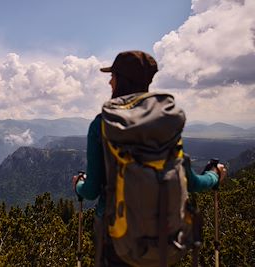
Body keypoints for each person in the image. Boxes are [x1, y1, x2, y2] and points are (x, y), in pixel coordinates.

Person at [72, 50, 227, 267]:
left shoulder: (102, 125)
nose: (109, 82)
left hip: (116, 239)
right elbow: (189, 182)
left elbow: (91, 191)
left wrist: (78, 184)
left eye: (113, 76)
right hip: (163, 238)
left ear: (121, 80)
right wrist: (214, 175)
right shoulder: (165, 124)